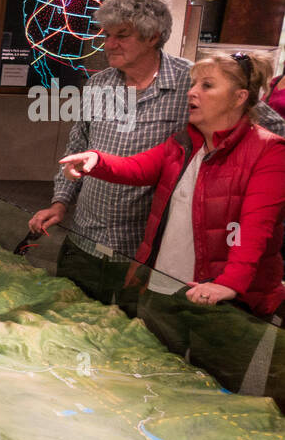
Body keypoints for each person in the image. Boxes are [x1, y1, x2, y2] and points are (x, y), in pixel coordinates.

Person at [28, 0, 285, 313]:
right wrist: (60, 201)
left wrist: (240, 178)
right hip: (84, 240)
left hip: (142, 254)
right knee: (68, 321)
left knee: (130, 343)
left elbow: (263, 125)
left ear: (153, 36)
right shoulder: (98, 84)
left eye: (121, 35)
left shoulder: (189, 83)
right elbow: (80, 144)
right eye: (105, 34)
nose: (109, 44)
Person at [58, 52, 285, 392]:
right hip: (165, 287)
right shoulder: (184, 143)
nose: (192, 92)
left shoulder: (269, 152)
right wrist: (97, 160)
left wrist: (231, 282)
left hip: (224, 304)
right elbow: (138, 168)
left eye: (207, 86)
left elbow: (255, 229)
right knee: (151, 383)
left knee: (211, 393)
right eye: (193, 84)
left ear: (239, 97)